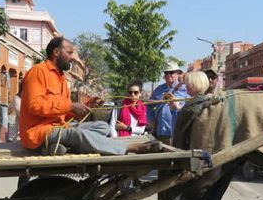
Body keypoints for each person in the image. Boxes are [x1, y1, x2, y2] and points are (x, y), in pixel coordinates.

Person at [19, 37, 159, 156]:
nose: (73, 58)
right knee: (76, 134)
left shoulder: (62, 78)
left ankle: (59, 145)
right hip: (38, 133)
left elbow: (64, 115)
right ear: (56, 52)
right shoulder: (38, 71)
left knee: (102, 126)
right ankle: (130, 148)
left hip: (61, 127)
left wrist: (87, 107)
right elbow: (34, 106)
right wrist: (71, 105)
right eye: (69, 53)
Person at [148, 62, 188, 141]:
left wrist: (177, 106)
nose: (168, 75)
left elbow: (189, 107)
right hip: (159, 131)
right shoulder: (159, 89)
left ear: (177, 74)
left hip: (176, 132)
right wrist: (151, 119)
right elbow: (149, 105)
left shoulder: (184, 89)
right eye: (166, 73)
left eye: (171, 72)